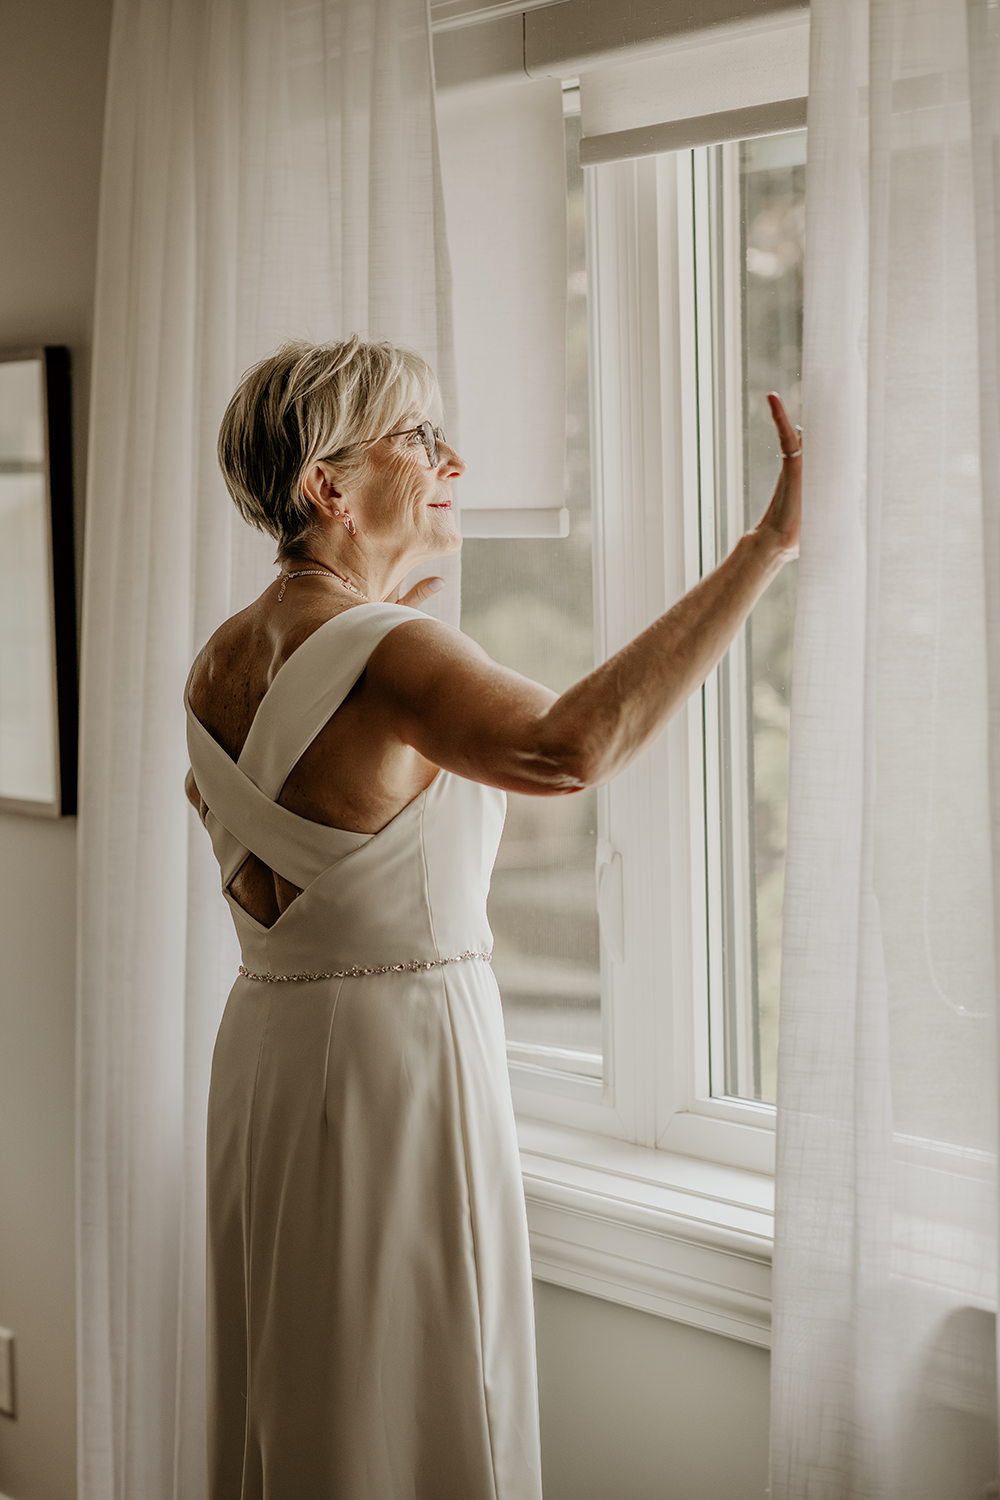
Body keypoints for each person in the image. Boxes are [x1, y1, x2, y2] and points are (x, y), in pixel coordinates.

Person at [184, 335, 802, 1500]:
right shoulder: (388, 651)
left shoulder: (222, 657)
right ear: (327, 485)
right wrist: (763, 549)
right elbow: (569, 747)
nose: (453, 461)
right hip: (398, 1061)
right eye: (421, 438)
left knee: (298, 1376)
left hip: (266, 1055)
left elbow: (256, 809)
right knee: (416, 1382)